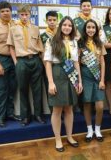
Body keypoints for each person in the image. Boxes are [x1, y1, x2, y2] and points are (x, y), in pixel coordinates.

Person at [44, 16, 83, 152]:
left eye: (70, 25)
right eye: (65, 25)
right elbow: (48, 62)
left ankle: (70, 136)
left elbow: (76, 62)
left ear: (72, 28)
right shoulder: (52, 41)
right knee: (57, 109)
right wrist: (50, 82)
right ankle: (58, 139)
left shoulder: (73, 42)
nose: (67, 27)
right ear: (60, 26)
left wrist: (79, 81)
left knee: (69, 108)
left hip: (71, 75)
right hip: (57, 73)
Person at [7, 4, 45, 126]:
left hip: (35, 60)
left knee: (37, 89)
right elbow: (11, 47)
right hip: (21, 61)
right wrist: (16, 62)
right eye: (22, 15)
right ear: (18, 15)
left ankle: (38, 115)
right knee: (23, 90)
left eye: (26, 14)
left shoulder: (35, 28)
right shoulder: (13, 28)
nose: (24, 17)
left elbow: (40, 47)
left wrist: (42, 61)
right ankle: (25, 117)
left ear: (30, 15)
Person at [78, 19, 106, 142]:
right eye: (88, 27)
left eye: (93, 27)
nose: (91, 30)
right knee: (87, 103)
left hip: (98, 76)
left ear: (96, 29)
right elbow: (77, 63)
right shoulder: (80, 43)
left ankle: (98, 129)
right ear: (85, 29)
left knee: (100, 106)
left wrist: (102, 80)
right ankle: (90, 130)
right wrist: (79, 80)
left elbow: (103, 63)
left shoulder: (99, 43)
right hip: (85, 75)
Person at [40, 11, 58, 113]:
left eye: (54, 20)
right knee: (50, 89)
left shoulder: (62, 34)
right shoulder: (42, 36)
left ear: (57, 21)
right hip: (48, 66)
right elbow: (42, 53)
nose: (52, 22)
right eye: (50, 20)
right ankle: (53, 112)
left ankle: (63, 112)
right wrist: (47, 67)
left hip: (61, 66)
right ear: (46, 21)